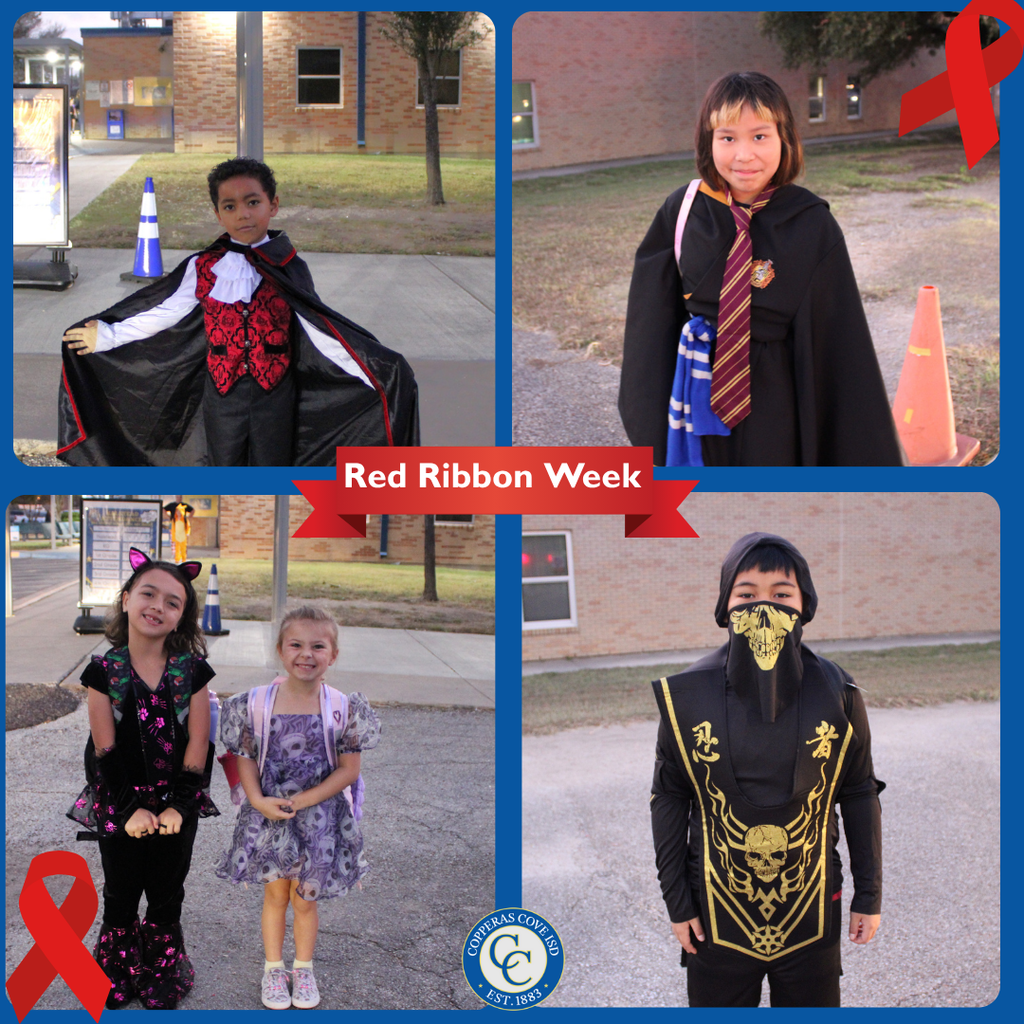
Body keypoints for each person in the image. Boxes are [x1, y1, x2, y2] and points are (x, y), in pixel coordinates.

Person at [619, 72, 903, 466]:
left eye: (760, 136)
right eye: (728, 137)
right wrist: (648, 423)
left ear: (784, 139)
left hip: (775, 399)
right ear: (708, 140)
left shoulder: (811, 224)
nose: (744, 155)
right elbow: (650, 326)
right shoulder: (683, 212)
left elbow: (839, 343)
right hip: (695, 387)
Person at [58, 157, 419, 466]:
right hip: (222, 392)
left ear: (272, 205)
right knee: (224, 464)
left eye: (252, 202)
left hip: (275, 394)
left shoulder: (289, 266)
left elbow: (319, 330)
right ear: (218, 213)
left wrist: (377, 368)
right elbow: (162, 311)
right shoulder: (204, 266)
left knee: (270, 467)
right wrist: (107, 334)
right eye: (230, 207)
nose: (243, 214)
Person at [650, 533, 883, 1007]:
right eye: (746, 594)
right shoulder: (686, 698)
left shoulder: (839, 693)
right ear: (725, 605)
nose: (763, 607)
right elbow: (669, 797)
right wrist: (677, 902)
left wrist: (869, 894)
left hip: (814, 905)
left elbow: (858, 791)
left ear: (804, 604)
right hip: (715, 908)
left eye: (781, 594)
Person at [67, 548, 219, 1010]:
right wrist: (131, 811)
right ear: (128, 598)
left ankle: (163, 968)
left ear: (181, 618)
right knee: (121, 888)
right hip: (120, 801)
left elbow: (199, 744)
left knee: (166, 889)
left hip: (177, 803)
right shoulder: (103, 671)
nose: (158, 605)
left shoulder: (191, 671)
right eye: (148, 593)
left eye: (173, 602)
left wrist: (178, 804)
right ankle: (116, 968)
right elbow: (103, 748)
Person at [215, 606, 381, 1010]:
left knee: (305, 899)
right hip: (269, 815)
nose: (306, 654)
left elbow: (348, 770)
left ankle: (303, 969)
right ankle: (274, 969)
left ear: (333, 654)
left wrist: (302, 801)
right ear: (280, 650)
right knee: (275, 897)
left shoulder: (343, 708)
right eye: (296, 644)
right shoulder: (255, 704)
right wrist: (256, 800)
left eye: (318, 646)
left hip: (320, 819)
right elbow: (246, 757)